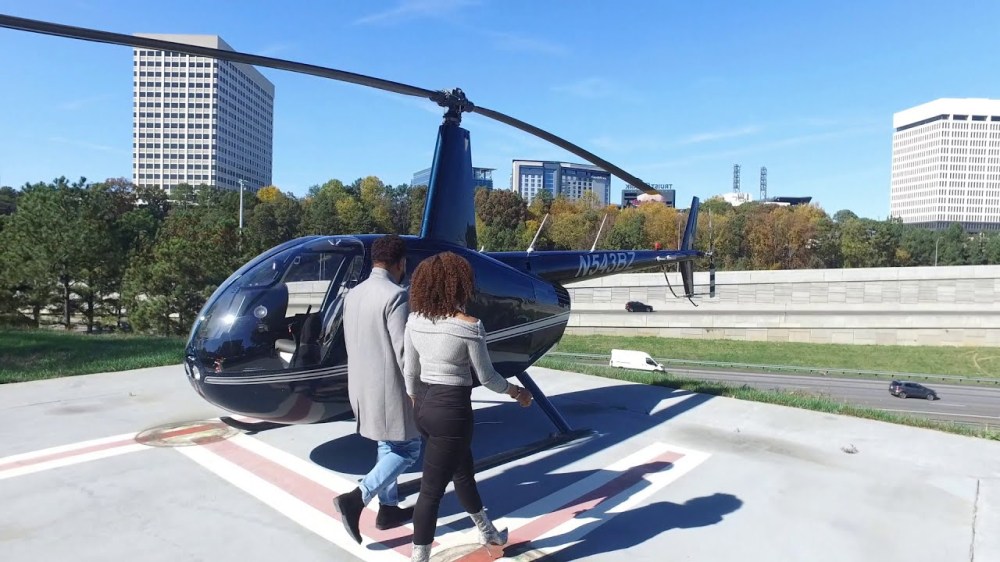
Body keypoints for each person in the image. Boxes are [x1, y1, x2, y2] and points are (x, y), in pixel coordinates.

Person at [403, 252, 533, 562]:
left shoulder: (414, 319)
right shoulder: (470, 326)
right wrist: (518, 392)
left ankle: (488, 533)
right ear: (459, 285)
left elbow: (410, 370)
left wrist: (416, 402)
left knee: (463, 474)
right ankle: (419, 557)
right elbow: (487, 377)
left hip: (424, 406)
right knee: (431, 493)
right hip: (452, 412)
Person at [333, 234, 421, 544]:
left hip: (361, 386)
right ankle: (358, 497)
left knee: (387, 446)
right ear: (401, 263)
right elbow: (404, 352)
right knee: (409, 449)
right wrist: (416, 392)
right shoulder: (396, 296)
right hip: (391, 390)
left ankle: (388, 509)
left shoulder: (353, 295)